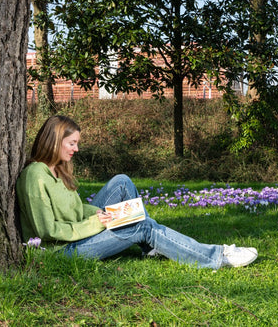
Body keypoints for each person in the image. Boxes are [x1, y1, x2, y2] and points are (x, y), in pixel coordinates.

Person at [16, 115, 258, 269]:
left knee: (122, 182)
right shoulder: (36, 175)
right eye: (72, 143)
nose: (77, 149)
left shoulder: (58, 169)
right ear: (55, 141)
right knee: (142, 226)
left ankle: (151, 246)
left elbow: (75, 210)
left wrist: (101, 214)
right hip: (60, 251)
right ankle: (217, 256)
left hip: (77, 234)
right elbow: (46, 230)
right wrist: (96, 224)